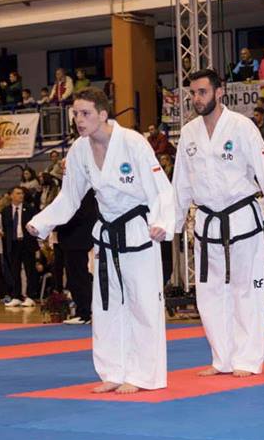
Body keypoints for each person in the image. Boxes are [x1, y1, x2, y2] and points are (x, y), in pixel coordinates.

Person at [28, 87, 175, 394]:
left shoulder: (132, 142)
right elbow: (70, 197)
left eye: (85, 113)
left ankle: (144, 375)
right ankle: (113, 371)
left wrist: (162, 221)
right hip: (107, 235)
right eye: (75, 114)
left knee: (142, 304)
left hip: (138, 231)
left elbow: (160, 187)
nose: (78, 120)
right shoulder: (79, 150)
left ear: (103, 114)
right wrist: (41, 222)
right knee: (107, 307)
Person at [172, 69, 264, 378]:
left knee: (247, 290)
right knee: (209, 293)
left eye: (202, 92)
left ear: (219, 92)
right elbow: (181, 183)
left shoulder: (242, 127)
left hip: (241, 219)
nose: (196, 98)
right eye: (193, 93)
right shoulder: (189, 133)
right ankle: (221, 358)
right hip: (207, 222)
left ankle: (248, 359)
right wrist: (172, 223)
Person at [56, 191, 96, 325]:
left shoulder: (85, 192)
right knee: (74, 277)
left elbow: (79, 215)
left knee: (79, 277)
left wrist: (56, 223)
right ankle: (82, 311)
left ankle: (84, 313)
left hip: (78, 239)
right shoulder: (79, 191)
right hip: (73, 240)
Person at [2, 187, 39, 307]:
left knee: (30, 270)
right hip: (13, 243)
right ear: (11, 196)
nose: (21, 195)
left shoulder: (30, 209)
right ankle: (16, 296)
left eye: (22, 193)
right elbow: (5, 228)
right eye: (18, 193)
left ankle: (31, 296)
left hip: (27, 243)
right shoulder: (6, 211)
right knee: (14, 270)